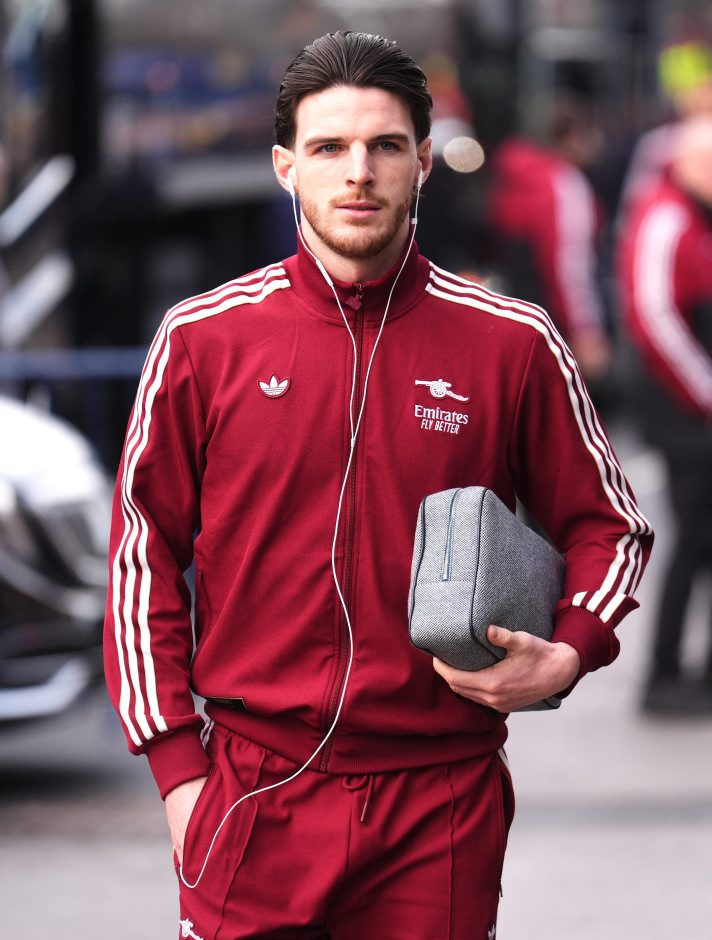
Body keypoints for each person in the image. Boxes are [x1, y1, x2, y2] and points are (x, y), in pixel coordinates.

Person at [104, 31, 653, 940]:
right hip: (252, 794)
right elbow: (141, 554)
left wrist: (570, 650)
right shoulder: (202, 339)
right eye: (328, 147)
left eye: (385, 146)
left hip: (441, 804)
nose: (358, 173)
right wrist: (178, 774)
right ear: (285, 167)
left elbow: (612, 526)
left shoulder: (512, 341)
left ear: (423, 163)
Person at [618, 114, 712, 716]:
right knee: (693, 539)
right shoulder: (668, 216)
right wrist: (705, 394)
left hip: (690, 406)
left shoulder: (690, 215)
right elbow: (656, 317)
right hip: (683, 415)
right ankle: (664, 674)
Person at [486, 95, 612, 386]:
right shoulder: (564, 184)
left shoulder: (516, 175)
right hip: (556, 326)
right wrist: (586, 330)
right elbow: (570, 265)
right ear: (571, 138)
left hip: (518, 321)